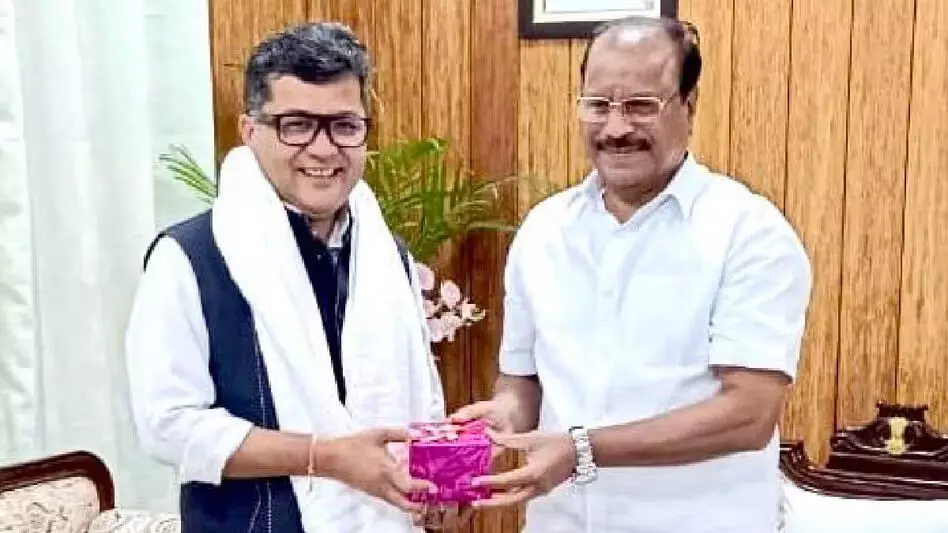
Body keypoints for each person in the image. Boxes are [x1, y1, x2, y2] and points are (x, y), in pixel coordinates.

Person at [453, 16, 812, 533]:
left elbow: (749, 415)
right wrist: (500, 422)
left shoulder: (749, 232)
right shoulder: (544, 230)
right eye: (598, 105)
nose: (616, 128)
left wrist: (580, 450)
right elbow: (522, 382)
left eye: (641, 105)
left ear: (689, 106)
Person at [125, 22, 447, 533]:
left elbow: (423, 402)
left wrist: (439, 486)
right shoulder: (188, 257)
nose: (323, 149)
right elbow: (168, 425)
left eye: (344, 125)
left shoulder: (391, 257)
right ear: (249, 131)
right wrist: (324, 457)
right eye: (296, 125)